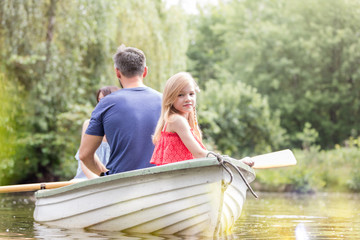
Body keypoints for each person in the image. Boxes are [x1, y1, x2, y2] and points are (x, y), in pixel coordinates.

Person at [79, 45, 162, 177]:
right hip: (161, 178)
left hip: (120, 181)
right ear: (145, 71)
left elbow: (84, 154)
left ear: (117, 72)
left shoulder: (105, 104)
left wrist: (103, 174)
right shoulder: (165, 101)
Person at [150, 72, 254, 167]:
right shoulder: (177, 120)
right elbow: (199, 153)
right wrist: (237, 163)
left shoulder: (179, 120)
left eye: (191, 94)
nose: (188, 99)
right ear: (170, 98)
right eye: (180, 95)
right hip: (179, 180)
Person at [73, 86, 120, 179]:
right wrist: (96, 181)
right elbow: (84, 158)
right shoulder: (89, 124)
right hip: (88, 179)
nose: (101, 103)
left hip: (113, 180)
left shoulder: (120, 126)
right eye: (99, 100)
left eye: (104, 99)